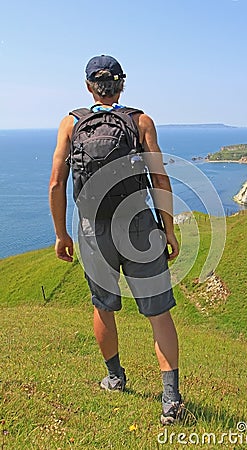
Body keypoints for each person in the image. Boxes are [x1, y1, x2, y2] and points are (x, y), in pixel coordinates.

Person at [49, 54, 183, 425]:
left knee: (103, 306)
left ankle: (115, 377)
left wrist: (61, 234)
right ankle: (170, 400)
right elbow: (158, 178)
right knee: (158, 313)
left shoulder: (71, 123)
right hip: (139, 224)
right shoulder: (140, 121)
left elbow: (57, 183)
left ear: (89, 86)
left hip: (93, 229)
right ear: (122, 84)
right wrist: (168, 229)